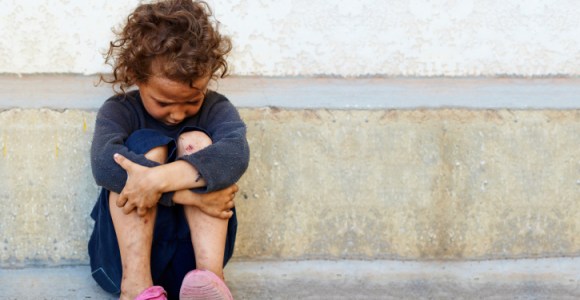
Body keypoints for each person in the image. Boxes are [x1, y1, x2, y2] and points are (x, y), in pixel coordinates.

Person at [87, 1, 249, 299]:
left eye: (192, 101)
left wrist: (156, 182)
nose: (177, 114)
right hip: (122, 263)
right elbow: (104, 165)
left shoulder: (217, 109)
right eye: (163, 102)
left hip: (192, 262)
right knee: (146, 146)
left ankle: (210, 282)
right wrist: (184, 194)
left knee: (197, 141)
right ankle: (136, 289)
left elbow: (235, 155)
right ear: (136, 77)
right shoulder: (119, 111)